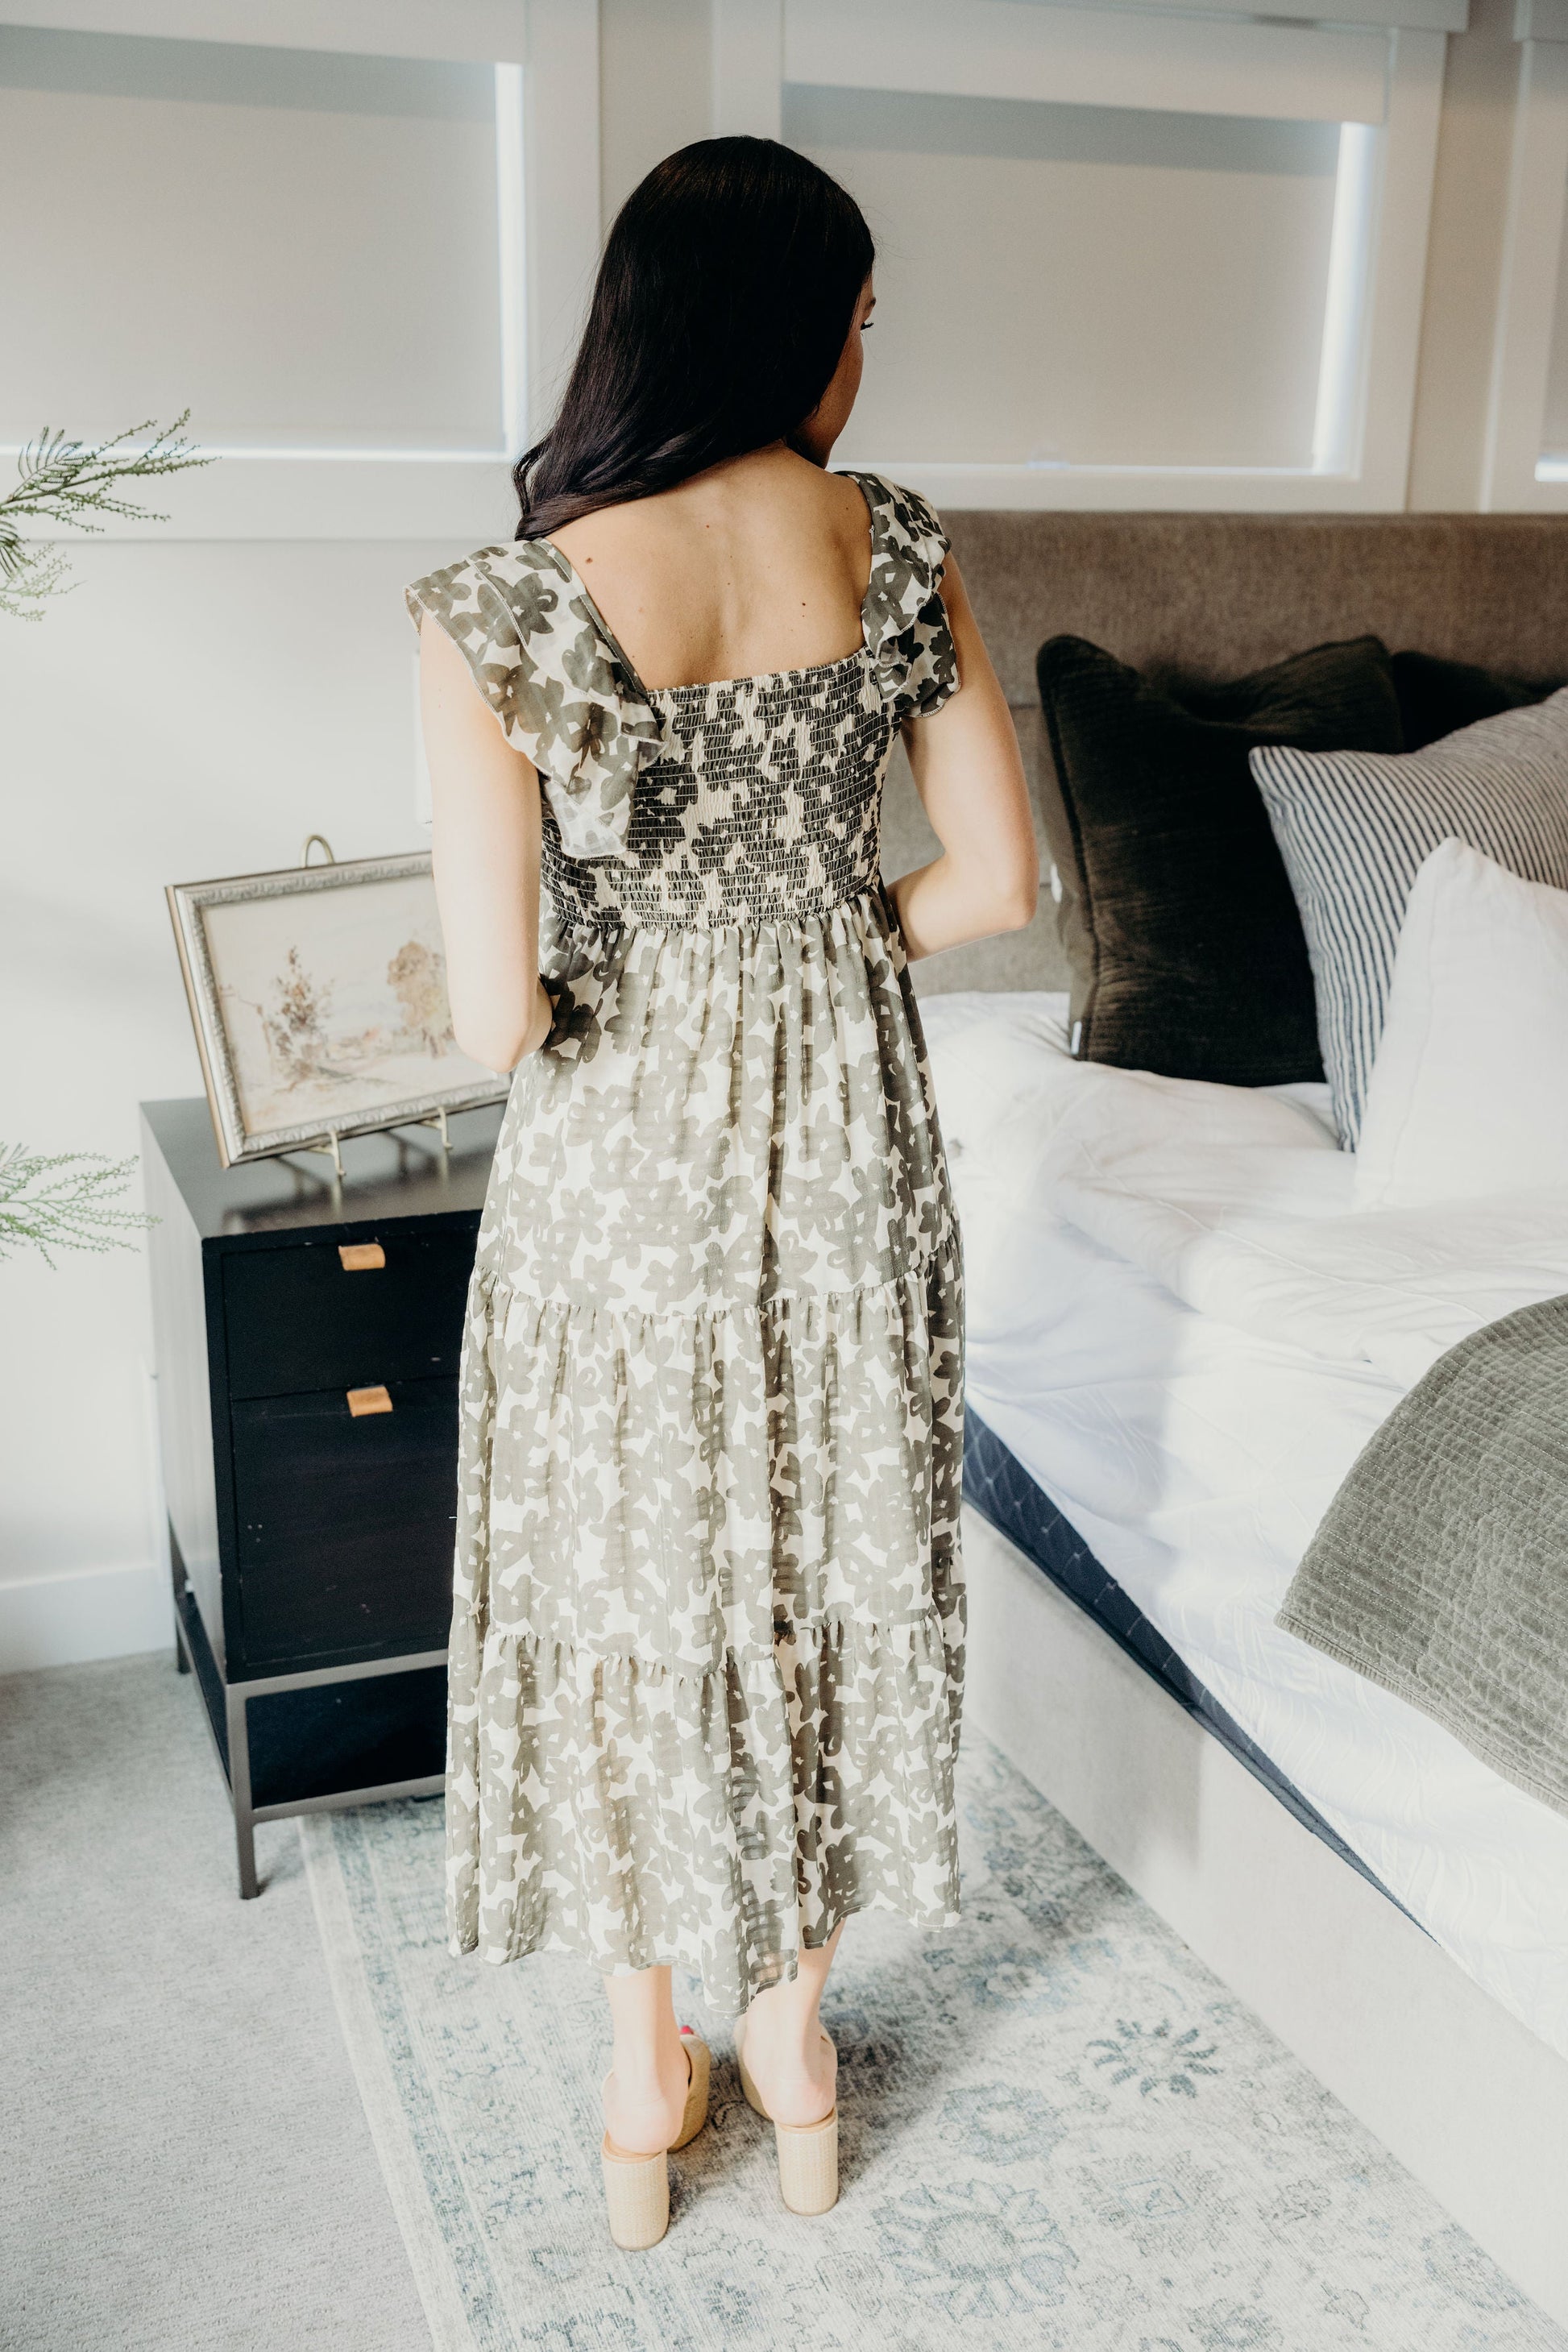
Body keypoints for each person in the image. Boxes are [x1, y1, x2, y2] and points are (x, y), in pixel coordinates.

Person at [409, 135, 1037, 2251]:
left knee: (627, 1584)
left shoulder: (502, 604)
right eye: (857, 320)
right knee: (830, 1552)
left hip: (618, 1173)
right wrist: (813, 941)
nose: (864, 361)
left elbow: (496, 1013)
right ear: (793, 329)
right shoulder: (894, 542)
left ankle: (636, 2072)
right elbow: (996, 885)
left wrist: (652, 965)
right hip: (850, 1142)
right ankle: (795, 2045)